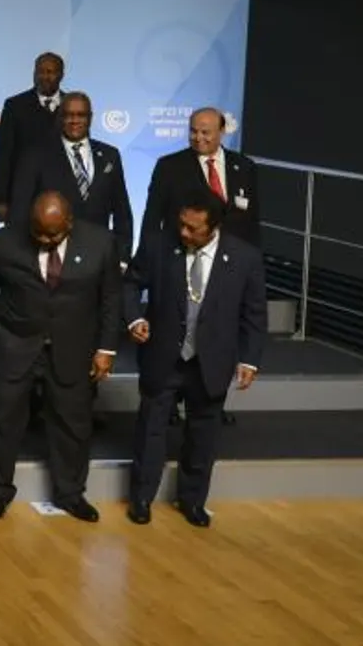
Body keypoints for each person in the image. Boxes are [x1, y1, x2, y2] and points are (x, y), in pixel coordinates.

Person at [0, 191, 121, 523]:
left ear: (69, 222)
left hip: (73, 346)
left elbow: (111, 297)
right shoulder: (6, 240)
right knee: (3, 420)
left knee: (73, 423)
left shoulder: (100, 242)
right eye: (38, 232)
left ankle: (70, 493)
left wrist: (106, 349)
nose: (44, 239)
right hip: (15, 342)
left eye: (52, 233)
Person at [124, 191, 266, 528]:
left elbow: (254, 314)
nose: (184, 233)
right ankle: (141, 499)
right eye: (182, 225)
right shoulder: (159, 245)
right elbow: (130, 285)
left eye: (193, 229)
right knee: (151, 432)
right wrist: (134, 319)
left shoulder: (244, 258)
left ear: (214, 228)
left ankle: (192, 501)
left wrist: (249, 360)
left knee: (204, 436)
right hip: (164, 356)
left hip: (211, 361)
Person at [8, 91, 134, 267]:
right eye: (68, 115)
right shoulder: (36, 155)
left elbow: (123, 214)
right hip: (51, 261)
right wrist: (20, 258)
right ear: (60, 117)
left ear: (90, 118)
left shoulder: (109, 155)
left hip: (99, 259)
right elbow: (20, 211)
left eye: (81, 115)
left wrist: (122, 257)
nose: (75, 120)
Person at [142, 107, 262, 248]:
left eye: (205, 132)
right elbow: (152, 218)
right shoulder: (169, 166)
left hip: (233, 259)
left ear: (221, 131)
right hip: (184, 254)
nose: (198, 138)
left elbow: (252, 222)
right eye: (193, 131)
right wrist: (146, 259)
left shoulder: (245, 167)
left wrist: (254, 261)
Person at [0, 52, 66, 223]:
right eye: (40, 71)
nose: (44, 76)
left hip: (62, 199)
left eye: (50, 72)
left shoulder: (71, 106)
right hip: (22, 199)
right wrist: (0, 199)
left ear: (61, 74)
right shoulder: (15, 106)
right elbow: (3, 154)